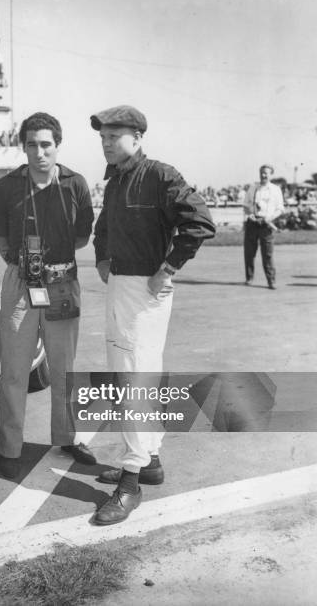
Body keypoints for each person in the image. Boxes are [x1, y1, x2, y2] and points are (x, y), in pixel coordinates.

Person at [90, 105, 215, 524]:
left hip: (146, 289)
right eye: (103, 137)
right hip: (121, 285)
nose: (106, 143)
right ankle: (151, 460)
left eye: (114, 136)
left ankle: (130, 482)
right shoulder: (115, 180)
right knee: (132, 372)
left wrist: (169, 267)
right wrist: (101, 257)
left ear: (137, 137)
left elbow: (199, 221)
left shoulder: (160, 175)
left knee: (132, 379)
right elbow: (103, 226)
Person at [0, 112, 95, 479]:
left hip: (62, 281)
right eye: (32, 144)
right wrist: (26, 266)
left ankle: (66, 438)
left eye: (46, 144)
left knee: (64, 368)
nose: (39, 151)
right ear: (24, 147)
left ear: (57, 145)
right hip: (21, 282)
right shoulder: (6, 187)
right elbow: (2, 239)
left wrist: (52, 262)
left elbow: (82, 236)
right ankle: (9, 447)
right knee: (16, 370)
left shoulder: (75, 184)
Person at [243, 164, 284, 289]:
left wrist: (270, 218)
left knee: (267, 254)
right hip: (253, 223)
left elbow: (280, 209)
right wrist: (250, 215)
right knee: (249, 252)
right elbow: (245, 205)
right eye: (262, 172)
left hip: (267, 224)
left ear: (271, 174)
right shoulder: (253, 188)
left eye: (266, 173)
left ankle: (271, 280)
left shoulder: (275, 189)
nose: (263, 175)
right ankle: (249, 278)